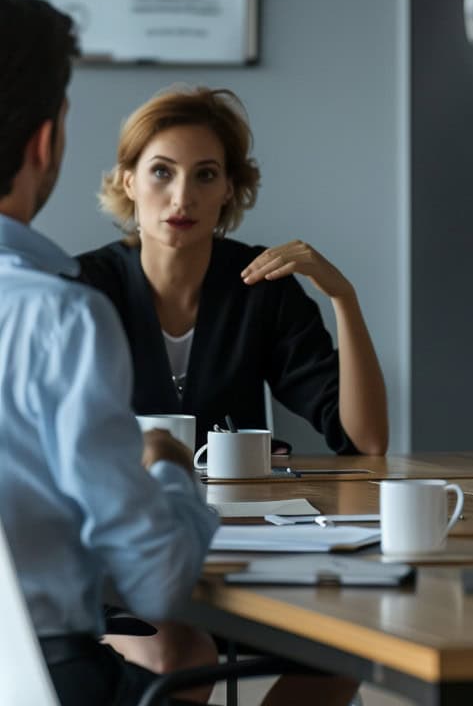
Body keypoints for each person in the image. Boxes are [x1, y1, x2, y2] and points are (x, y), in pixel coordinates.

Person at [77, 84, 386, 705]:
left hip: (238, 544)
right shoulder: (84, 289)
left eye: (205, 175)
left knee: (357, 643)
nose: (182, 197)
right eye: (161, 172)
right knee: (174, 652)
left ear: (229, 192)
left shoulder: (262, 288)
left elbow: (364, 439)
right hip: (122, 547)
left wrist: (343, 297)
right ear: (128, 181)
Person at [0, 0, 219, 706]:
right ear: (47, 139)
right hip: (41, 678)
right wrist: (169, 473)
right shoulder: (61, 315)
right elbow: (154, 580)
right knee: (185, 668)